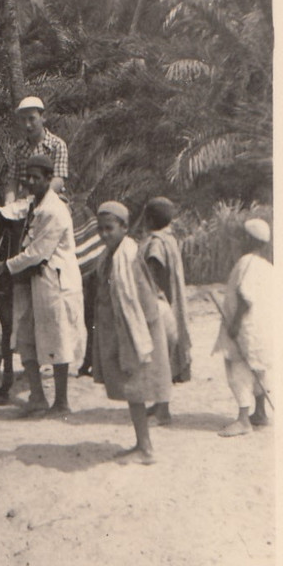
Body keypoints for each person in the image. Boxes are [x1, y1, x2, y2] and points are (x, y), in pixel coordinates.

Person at [0, 153, 85, 416]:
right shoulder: (33, 204)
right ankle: (37, 397)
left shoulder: (54, 210)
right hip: (29, 281)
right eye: (27, 177)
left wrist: (3, 266)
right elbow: (13, 209)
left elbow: (37, 253)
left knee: (57, 338)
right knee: (23, 336)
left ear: (49, 180)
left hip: (55, 282)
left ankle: (61, 402)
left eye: (36, 178)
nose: (30, 182)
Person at [92, 201, 173, 464]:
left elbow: (138, 300)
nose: (104, 234)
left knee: (136, 389)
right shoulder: (112, 256)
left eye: (109, 228)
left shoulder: (128, 258)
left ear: (124, 227)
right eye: (100, 229)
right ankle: (141, 443)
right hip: (120, 330)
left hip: (135, 331)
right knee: (132, 391)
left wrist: (133, 340)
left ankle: (146, 448)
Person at [213, 217, 273, 437]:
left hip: (245, 327)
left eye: (241, 237)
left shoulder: (246, 262)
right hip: (262, 331)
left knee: (238, 369)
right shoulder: (266, 266)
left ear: (249, 239)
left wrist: (235, 324)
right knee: (258, 369)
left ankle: (243, 419)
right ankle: (260, 412)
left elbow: (245, 296)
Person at [142, 196, 192, 424]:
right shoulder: (170, 239)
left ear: (149, 218)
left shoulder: (155, 243)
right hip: (173, 306)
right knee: (165, 357)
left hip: (159, 305)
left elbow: (152, 272)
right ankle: (160, 404)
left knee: (160, 358)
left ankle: (163, 411)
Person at [5, 97, 68, 202]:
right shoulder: (19, 149)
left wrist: (36, 199)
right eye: (23, 119)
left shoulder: (57, 145)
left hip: (52, 199)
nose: (27, 125)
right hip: (24, 201)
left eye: (31, 118)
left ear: (43, 117)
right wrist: (9, 204)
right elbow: (12, 180)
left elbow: (58, 180)